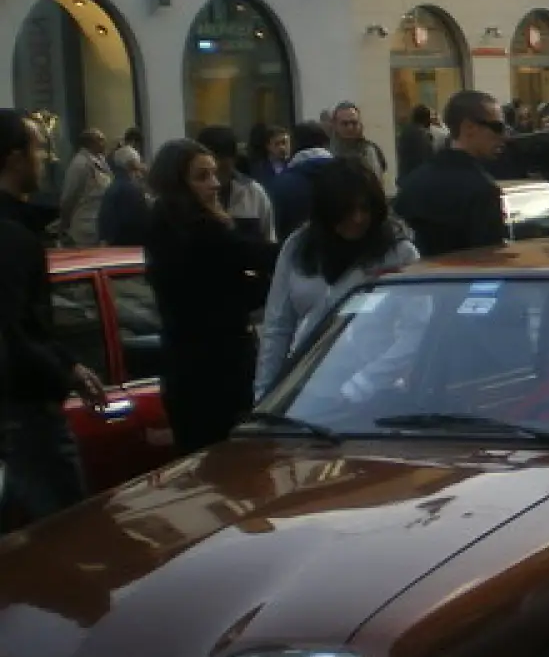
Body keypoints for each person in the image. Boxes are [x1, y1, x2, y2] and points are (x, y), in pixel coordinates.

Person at [0, 109, 105, 530]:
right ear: (14, 158)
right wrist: (65, 369)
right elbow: (15, 327)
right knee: (69, 536)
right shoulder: (11, 236)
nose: (45, 158)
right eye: (38, 148)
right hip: (26, 411)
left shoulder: (19, 229)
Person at [142, 139, 278, 454]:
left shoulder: (163, 227)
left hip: (185, 372)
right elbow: (254, 264)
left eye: (214, 174)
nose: (215, 184)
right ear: (178, 183)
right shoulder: (201, 232)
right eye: (202, 177)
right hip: (219, 373)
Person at [256, 160, 420, 399]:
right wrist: (265, 393)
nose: (358, 219)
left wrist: (366, 382)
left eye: (365, 209)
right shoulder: (298, 246)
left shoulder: (398, 253)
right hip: (305, 389)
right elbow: (278, 326)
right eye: (347, 211)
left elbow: (416, 329)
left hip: (373, 392)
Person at [394, 90, 509, 257]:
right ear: (469, 127)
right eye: (497, 127)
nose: (503, 136)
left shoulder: (414, 181)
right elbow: (489, 261)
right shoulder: (482, 190)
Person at [196, 126, 276, 244]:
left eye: (222, 169)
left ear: (234, 160)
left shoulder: (253, 192)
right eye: (207, 172)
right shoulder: (189, 195)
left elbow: (269, 240)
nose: (215, 181)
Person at [269, 122, 339, 241]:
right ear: (325, 143)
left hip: (297, 253)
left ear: (294, 145)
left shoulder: (281, 184)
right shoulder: (347, 174)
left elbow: (275, 228)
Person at [57, 129, 112, 247]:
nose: (105, 143)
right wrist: (64, 225)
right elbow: (68, 197)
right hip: (84, 228)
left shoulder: (101, 161)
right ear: (90, 143)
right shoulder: (80, 164)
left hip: (99, 225)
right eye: (100, 140)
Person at [96, 146, 151, 246]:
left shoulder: (113, 187)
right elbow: (140, 223)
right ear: (132, 164)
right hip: (128, 248)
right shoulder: (130, 190)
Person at [328, 101, 387, 181]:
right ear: (335, 125)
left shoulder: (371, 150)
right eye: (345, 124)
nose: (350, 128)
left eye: (354, 123)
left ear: (360, 125)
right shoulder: (327, 153)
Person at [398, 104, 439, 180]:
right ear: (426, 119)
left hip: (405, 177)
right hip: (417, 179)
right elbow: (426, 159)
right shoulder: (421, 135)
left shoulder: (406, 132)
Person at [246, 123, 291, 190]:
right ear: (268, 146)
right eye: (277, 144)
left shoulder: (295, 165)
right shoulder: (259, 169)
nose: (282, 147)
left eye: (284, 143)